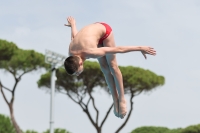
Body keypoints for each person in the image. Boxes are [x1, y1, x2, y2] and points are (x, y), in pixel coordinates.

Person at [64, 16, 156, 119]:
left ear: (80, 63)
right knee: (104, 68)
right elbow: (74, 38)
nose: (78, 75)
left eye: (77, 72)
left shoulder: (92, 52)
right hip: (93, 37)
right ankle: (114, 99)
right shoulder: (71, 52)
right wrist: (73, 25)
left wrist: (140, 48)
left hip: (105, 31)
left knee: (112, 66)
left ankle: (121, 99)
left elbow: (119, 49)